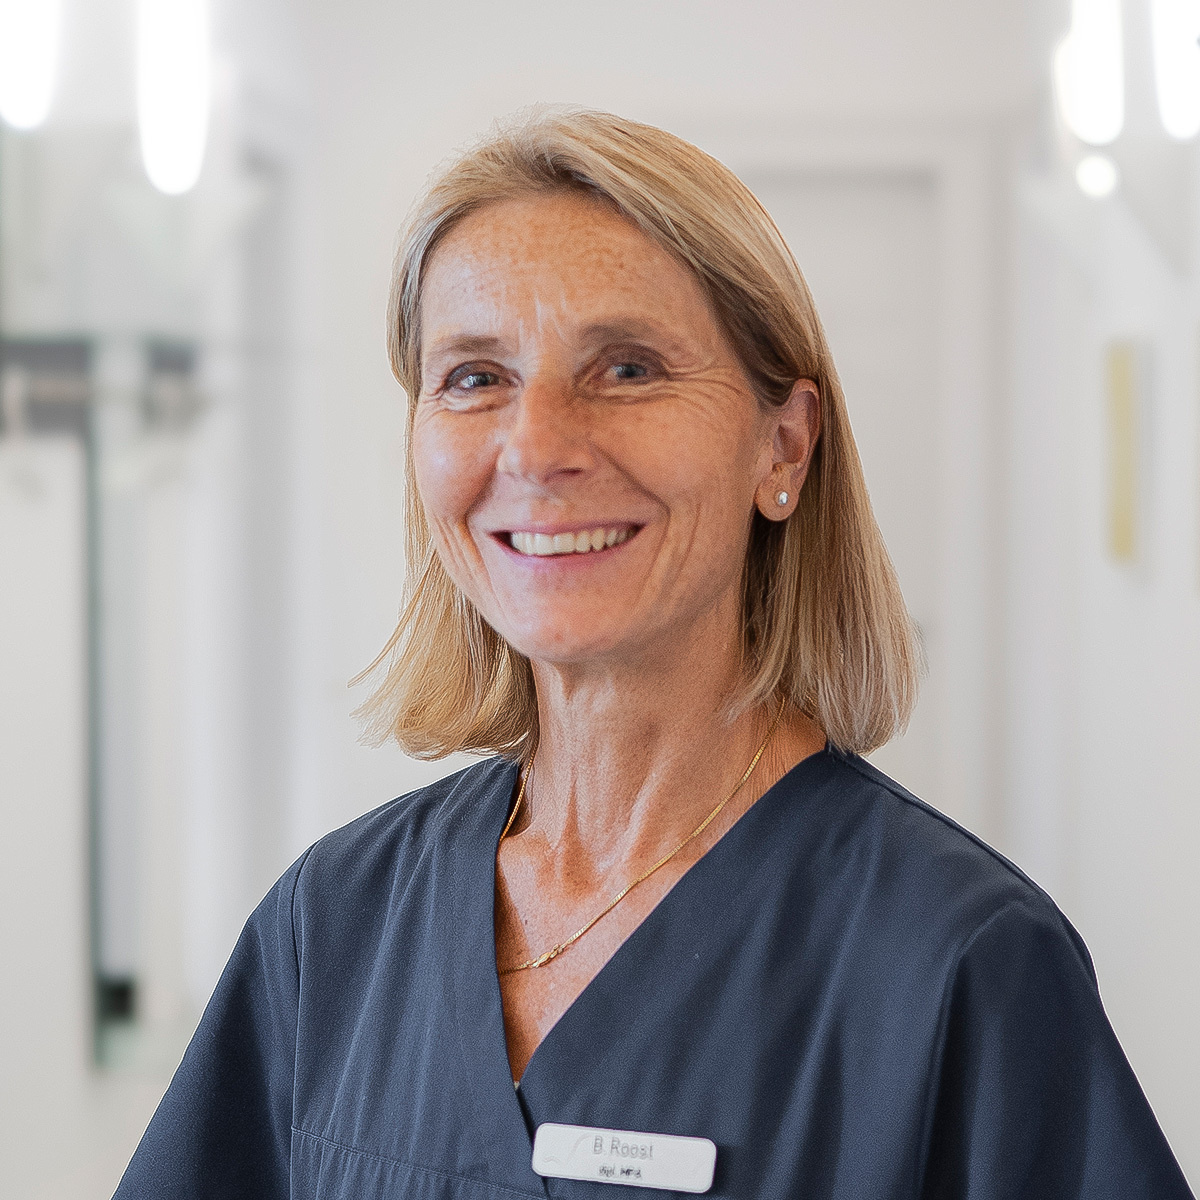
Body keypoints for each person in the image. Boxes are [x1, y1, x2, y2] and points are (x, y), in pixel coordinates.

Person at [114, 108, 1193, 1199]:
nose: (536, 448)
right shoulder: (336, 929)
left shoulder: (957, 965)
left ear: (784, 446)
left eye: (627, 369)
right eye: (475, 377)